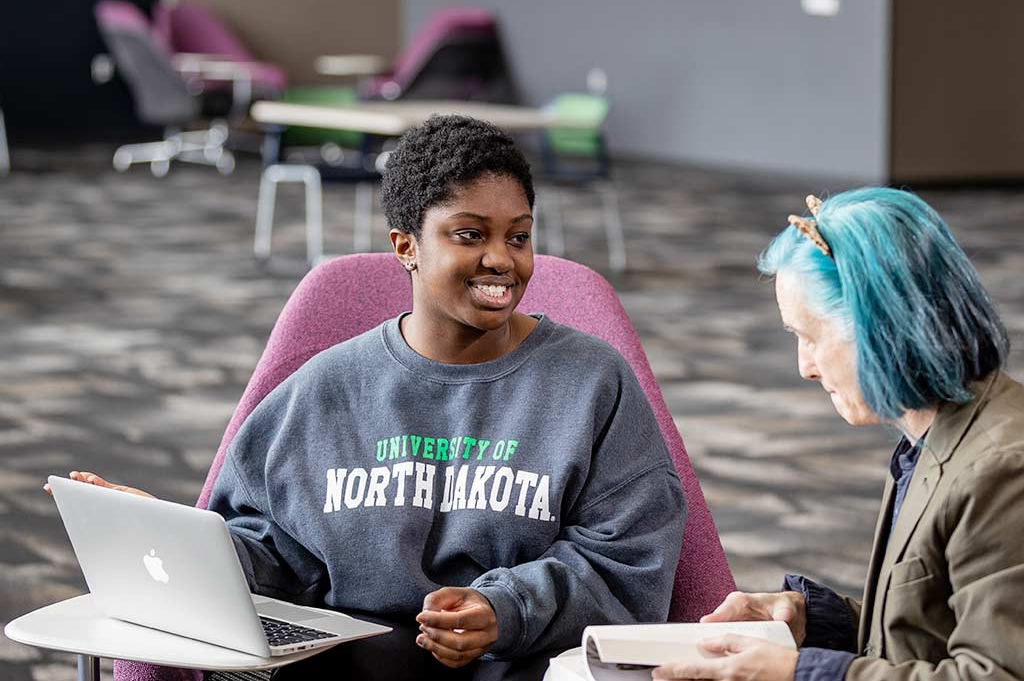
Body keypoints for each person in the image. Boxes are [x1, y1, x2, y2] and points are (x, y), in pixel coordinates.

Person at [47, 115, 687, 681]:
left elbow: (632, 563)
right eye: (469, 235)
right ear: (406, 246)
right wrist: (172, 539)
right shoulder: (323, 389)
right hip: (348, 659)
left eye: (517, 236)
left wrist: (506, 608)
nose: (502, 259)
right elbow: (274, 555)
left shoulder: (592, 383)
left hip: (513, 662)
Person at [652, 187, 1023, 681]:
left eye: (811, 336)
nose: (804, 367)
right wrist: (818, 622)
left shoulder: (1001, 468)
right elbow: (934, 628)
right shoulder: (935, 434)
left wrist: (802, 673)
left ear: (882, 326)